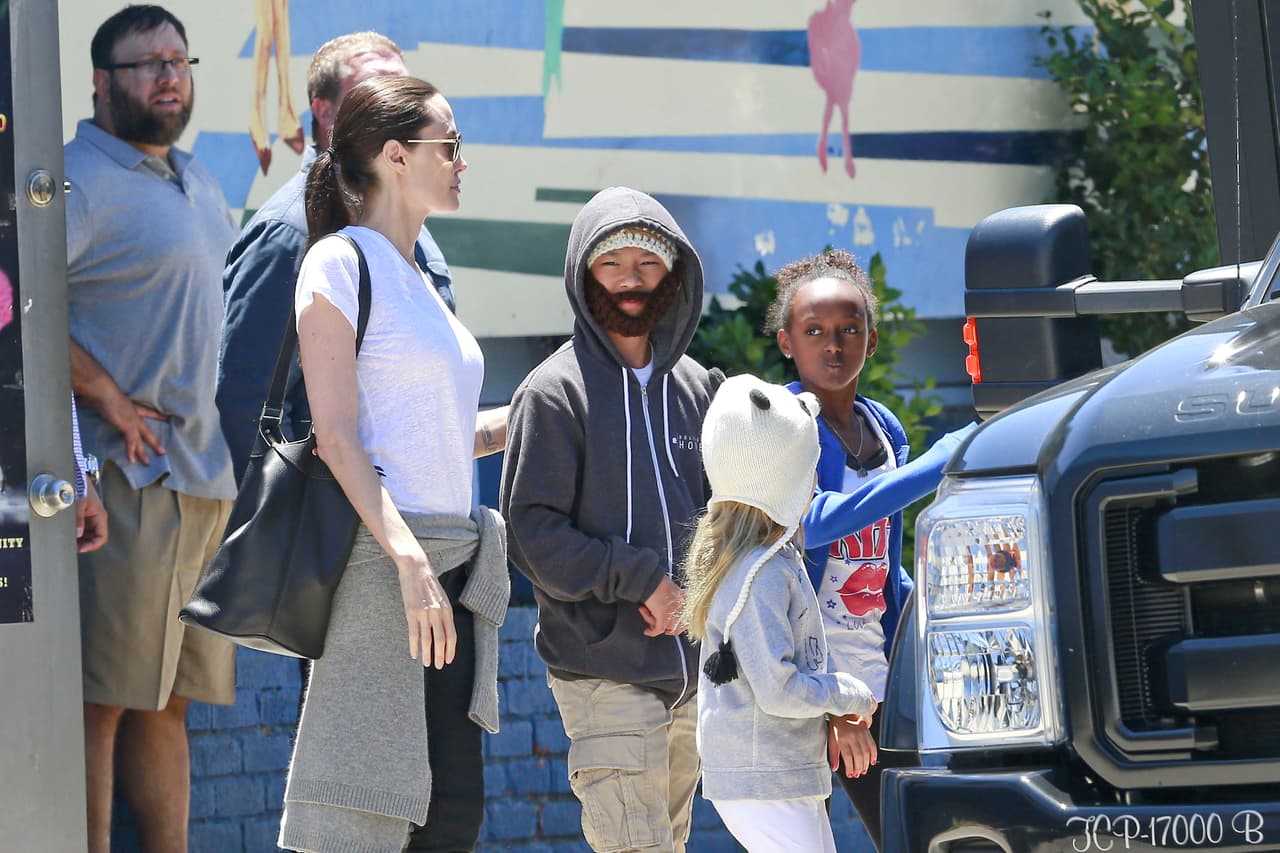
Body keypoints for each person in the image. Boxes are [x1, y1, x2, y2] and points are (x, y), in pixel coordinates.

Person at [278, 75, 509, 853]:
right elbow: (337, 433)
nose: (461, 162)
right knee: (370, 819)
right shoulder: (339, 264)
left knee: (450, 816)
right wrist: (408, 560)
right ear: (395, 156)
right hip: (389, 571)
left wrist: (526, 417)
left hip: (450, 567)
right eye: (450, 146)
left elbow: (428, 434)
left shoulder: (419, 279)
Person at [65, 6, 239, 851]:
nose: (168, 76)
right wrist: (107, 397)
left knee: (169, 699)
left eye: (178, 59)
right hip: (127, 480)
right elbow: (15, 310)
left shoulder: (198, 178)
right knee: (100, 701)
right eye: (145, 64)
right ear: (100, 82)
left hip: (207, 481)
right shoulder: (70, 181)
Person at [501, 187, 716, 853]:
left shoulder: (697, 389)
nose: (630, 281)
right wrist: (643, 580)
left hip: (688, 674)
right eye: (611, 264)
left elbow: (720, 517)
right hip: (605, 671)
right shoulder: (553, 392)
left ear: (673, 276)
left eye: (648, 265)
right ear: (581, 275)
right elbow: (531, 533)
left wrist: (700, 595)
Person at [219, 30, 490, 487]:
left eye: (403, 92)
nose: (394, 104)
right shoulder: (291, 233)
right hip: (342, 535)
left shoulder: (418, 239)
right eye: (374, 90)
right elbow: (248, 405)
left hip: (429, 522)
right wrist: (304, 534)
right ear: (324, 112)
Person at [767, 249, 972, 849]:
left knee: (932, 829)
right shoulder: (784, 423)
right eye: (815, 332)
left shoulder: (883, 427)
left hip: (884, 677)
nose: (834, 346)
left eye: (849, 330)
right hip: (818, 681)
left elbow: (884, 561)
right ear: (787, 343)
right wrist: (836, 708)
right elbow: (814, 524)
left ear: (872, 341)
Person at [683, 373, 877, 853]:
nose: (815, 480)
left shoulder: (766, 562)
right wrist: (850, 695)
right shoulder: (761, 575)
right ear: (780, 480)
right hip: (766, 779)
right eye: (808, 468)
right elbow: (779, 688)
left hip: (777, 776)